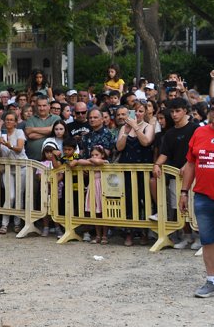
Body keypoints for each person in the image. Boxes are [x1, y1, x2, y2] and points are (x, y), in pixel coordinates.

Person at [179, 96, 214, 297]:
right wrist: (184, 192)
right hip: (203, 196)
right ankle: (212, 280)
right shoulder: (199, 132)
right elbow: (191, 165)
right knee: (208, 239)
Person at [153, 97, 199, 248]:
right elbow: (164, 153)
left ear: (185, 111)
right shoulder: (170, 133)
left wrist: (188, 165)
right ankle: (186, 237)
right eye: (172, 111)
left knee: (195, 207)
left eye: (177, 111)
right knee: (179, 207)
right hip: (174, 175)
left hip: (193, 176)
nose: (174, 114)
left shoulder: (195, 129)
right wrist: (157, 165)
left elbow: (196, 152)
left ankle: (199, 236)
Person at [115, 103, 155, 246]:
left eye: (140, 111)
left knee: (145, 200)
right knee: (129, 201)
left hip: (143, 169)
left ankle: (144, 232)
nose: (137, 114)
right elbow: (119, 147)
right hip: (126, 169)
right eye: (135, 111)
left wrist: (136, 127)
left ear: (145, 113)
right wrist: (126, 131)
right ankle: (129, 233)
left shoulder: (148, 127)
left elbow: (146, 142)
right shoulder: (123, 128)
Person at [71, 145, 109, 244]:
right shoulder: (92, 162)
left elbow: (97, 162)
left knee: (104, 212)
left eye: (97, 154)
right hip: (93, 187)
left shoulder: (105, 162)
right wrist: (91, 161)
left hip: (102, 188)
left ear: (103, 155)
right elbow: (79, 161)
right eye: (92, 155)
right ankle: (98, 235)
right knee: (95, 212)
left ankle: (105, 235)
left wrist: (91, 160)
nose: (94, 157)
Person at [0, 112, 27, 234]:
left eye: (11, 120)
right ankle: (4, 224)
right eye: (7, 120)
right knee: (10, 196)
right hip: (7, 167)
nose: (8, 122)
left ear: (15, 122)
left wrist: (10, 145)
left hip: (21, 166)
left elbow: (19, 149)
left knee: (19, 195)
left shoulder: (19, 132)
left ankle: (17, 223)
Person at [23, 95, 60, 161]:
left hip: (53, 161)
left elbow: (55, 131)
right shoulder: (31, 119)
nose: (42, 108)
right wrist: (51, 132)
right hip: (33, 160)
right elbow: (30, 135)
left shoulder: (56, 118)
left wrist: (33, 129)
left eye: (44, 105)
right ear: (36, 107)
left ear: (49, 106)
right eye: (39, 106)